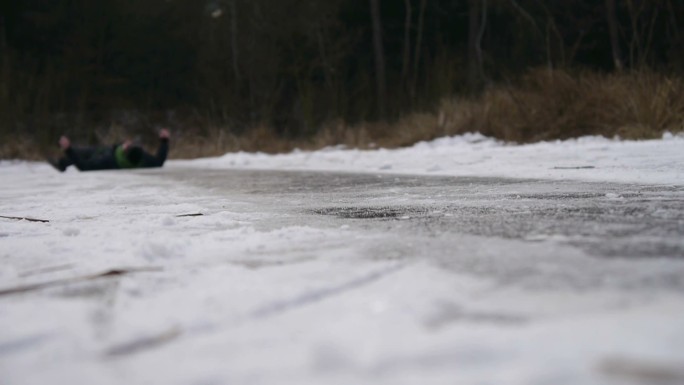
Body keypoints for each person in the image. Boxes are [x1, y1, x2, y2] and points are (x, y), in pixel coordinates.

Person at [49, 129, 170, 172]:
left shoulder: (108, 161)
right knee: (80, 152)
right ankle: (61, 160)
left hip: (97, 156)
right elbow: (159, 161)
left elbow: (84, 167)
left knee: (79, 155)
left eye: (128, 146)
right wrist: (164, 141)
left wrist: (68, 149)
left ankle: (61, 162)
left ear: (125, 150)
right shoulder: (142, 160)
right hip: (101, 152)